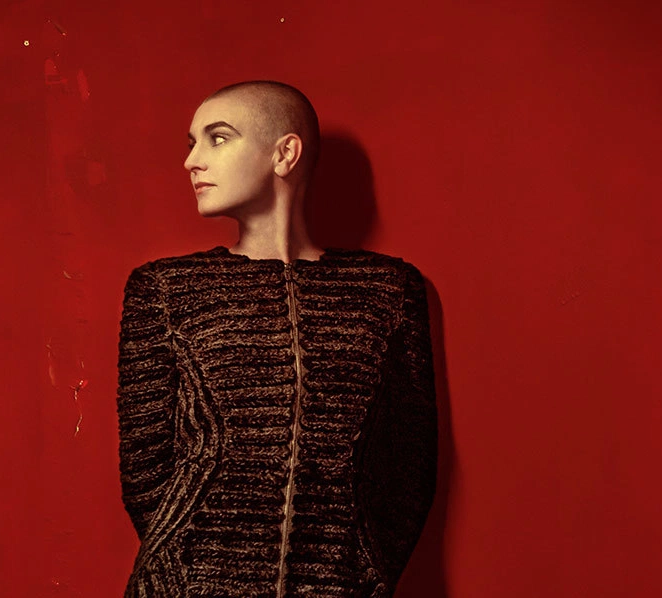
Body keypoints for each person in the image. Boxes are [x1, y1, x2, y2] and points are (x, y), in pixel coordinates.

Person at [116, 81, 437, 597]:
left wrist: (365, 573)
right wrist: (187, 574)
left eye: (218, 138)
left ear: (285, 153)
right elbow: (145, 468)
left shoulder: (389, 290)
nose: (192, 161)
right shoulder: (164, 288)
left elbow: (410, 466)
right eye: (192, 143)